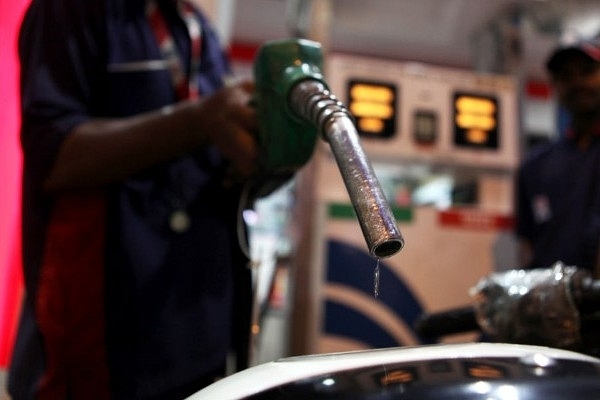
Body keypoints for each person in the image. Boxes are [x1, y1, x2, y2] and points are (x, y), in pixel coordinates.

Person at [8, 0, 265, 398]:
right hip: (103, 340)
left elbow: (211, 169)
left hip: (194, 334)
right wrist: (200, 119)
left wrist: (269, 159)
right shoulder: (72, 11)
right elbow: (55, 156)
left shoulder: (197, 28)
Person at [515, 37, 600, 275]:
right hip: (555, 304)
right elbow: (528, 243)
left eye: (587, 71)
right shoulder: (534, 166)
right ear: (555, 86)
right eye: (566, 76)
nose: (578, 82)